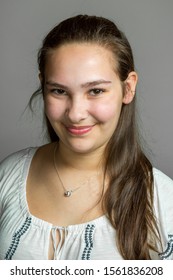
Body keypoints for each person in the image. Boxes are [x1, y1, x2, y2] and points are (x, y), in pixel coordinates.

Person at [0, 15, 173, 260]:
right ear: (43, 85)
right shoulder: (8, 175)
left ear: (128, 88)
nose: (75, 113)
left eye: (96, 91)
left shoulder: (163, 201)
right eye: (59, 91)